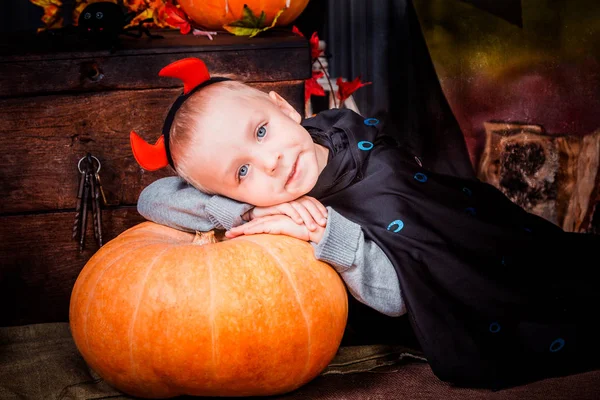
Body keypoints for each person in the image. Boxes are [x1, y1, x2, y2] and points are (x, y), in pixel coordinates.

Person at [130, 56, 599, 390]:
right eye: (242, 172)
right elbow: (153, 198)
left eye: (260, 131)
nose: (269, 161)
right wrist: (251, 210)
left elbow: (398, 298)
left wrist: (328, 234)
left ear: (284, 107)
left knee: (557, 284)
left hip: (478, 239)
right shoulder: (269, 196)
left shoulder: (355, 147)